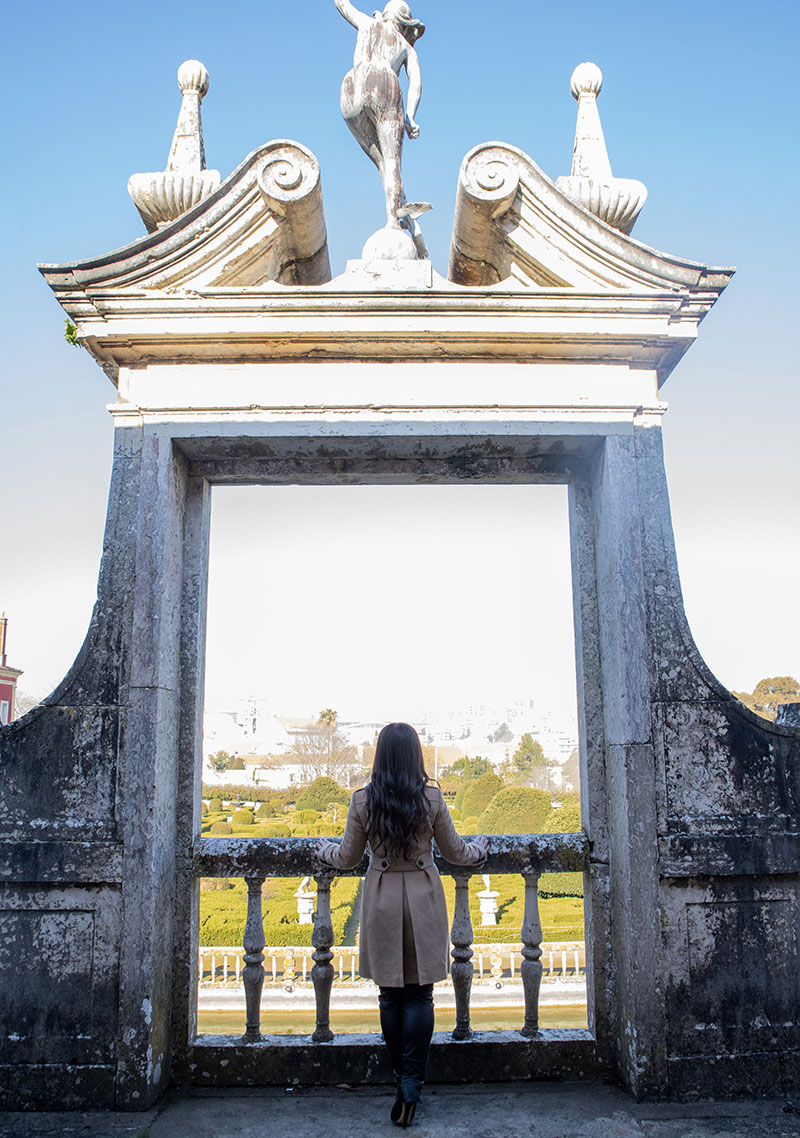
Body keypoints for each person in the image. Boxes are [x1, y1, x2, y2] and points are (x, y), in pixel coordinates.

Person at [316, 721, 489, 1128]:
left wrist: (322, 851)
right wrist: (481, 849)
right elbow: (457, 852)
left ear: (379, 756)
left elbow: (346, 857)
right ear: (416, 756)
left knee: (390, 997)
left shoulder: (363, 800)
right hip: (424, 900)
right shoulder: (430, 797)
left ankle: (400, 1078)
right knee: (420, 996)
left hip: (382, 901)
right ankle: (412, 1082)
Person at [334, 0, 430, 240]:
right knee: (392, 161)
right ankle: (393, 222)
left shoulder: (366, 23)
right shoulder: (406, 46)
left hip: (350, 87)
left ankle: (406, 217)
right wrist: (411, 116)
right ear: (404, 22)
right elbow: (415, 84)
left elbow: (342, 4)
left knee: (383, 165)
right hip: (383, 83)